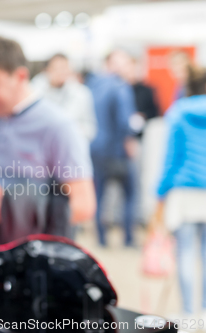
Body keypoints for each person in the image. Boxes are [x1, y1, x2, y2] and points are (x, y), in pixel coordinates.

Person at [0, 37, 96, 246]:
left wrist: (14, 212)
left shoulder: (57, 127)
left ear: (20, 76)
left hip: (29, 263)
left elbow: (83, 206)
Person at [153, 67, 206, 319]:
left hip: (184, 192)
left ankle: (188, 314)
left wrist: (160, 193)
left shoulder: (179, 113)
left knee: (184, 253)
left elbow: (171, 158)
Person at [84, 50, 138, 247]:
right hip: (117, 150)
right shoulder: (120, 86)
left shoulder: (91, 85)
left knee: (99, 195)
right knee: (130, 194)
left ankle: (101, 239)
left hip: (96, 149)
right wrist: (130, 138)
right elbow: (126, 121)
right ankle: (129, 239)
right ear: (111, 64)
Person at [31, 53, 97, 141]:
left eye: (65, 68)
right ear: (48, 70)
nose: (61, 72)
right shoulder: (35, 91)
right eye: (57, 69)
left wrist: (73, 131)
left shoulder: (81, 93)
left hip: (71, 144)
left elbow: (90, 129)